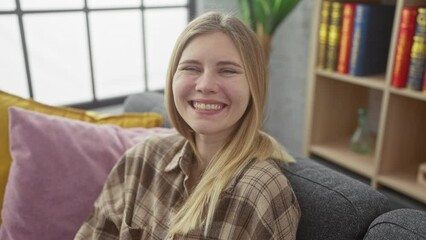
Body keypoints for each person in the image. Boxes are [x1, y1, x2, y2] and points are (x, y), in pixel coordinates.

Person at [75, 11, 300, 239]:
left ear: (254, 86)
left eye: (228, 70)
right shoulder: (141, 159)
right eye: (191, 68)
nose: (205, 85)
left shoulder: (261, 190)